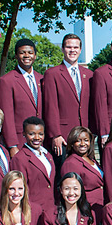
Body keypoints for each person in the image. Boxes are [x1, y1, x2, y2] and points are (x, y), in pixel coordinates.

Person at [43, 34, 92, 164]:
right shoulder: (52, 74)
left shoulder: (89, 74)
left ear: (80, 50)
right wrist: (55, 134)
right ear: (63, 49)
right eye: (68, 47)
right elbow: (50, 106)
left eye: (76, 47)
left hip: (85, 135)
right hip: (63, 136)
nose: (72, 50)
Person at [0, 38, 42, 157]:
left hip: (41, 141)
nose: (27, 56)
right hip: (20, 141)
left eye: (30, 53)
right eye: (22, 53)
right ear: (16, 56)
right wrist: (12, 145)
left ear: (35, 56)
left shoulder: (42, 79)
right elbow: (7, 116)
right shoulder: (6, 81)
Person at [60, 126, 106, 225]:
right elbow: (70, 192)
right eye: (78, 140)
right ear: (72, 143)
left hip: (98, 210)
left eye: (86, 140)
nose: (82, 144)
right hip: (86, 212)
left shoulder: (91, 159)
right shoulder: (70, 163)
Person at [9, 116, 56, 215]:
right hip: (33, 211)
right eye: (31, 134)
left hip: (50, 209)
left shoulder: (47, 155)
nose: (37, 138)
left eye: (40, 134)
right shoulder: (19, 158)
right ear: (24, 134)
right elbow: (21, 188)